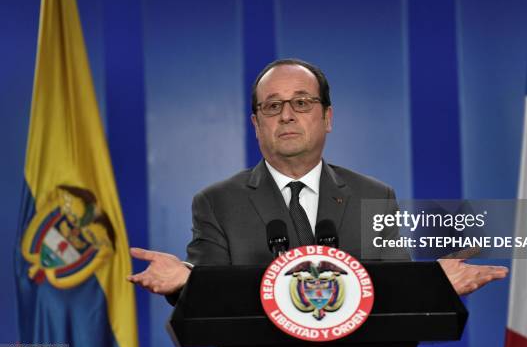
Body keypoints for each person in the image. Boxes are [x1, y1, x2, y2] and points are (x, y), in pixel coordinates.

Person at [127, 58, 507, 296]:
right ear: (256, 125)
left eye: (302, 103)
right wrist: (186, 277)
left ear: (327, 118)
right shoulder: (217, 201)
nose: (287, 115)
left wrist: (433, 286)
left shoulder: (372, 195)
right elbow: (208, 288)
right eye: (273, 106)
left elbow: (395, 287)